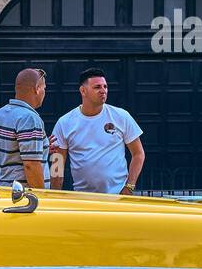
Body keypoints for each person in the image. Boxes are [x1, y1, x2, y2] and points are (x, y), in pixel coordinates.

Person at [49, 67, 146, 195]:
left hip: (119, 197)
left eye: (105, 86)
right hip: (83, 198)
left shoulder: (121, 116)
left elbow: (138, 154)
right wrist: (55, 195)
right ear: (83, 91)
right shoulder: (65, 122)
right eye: (97, 87)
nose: (103, 90)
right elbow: (58, 162)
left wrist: (129, 187)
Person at [0, 67, 48, 188]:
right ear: (37, 89)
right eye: (44, 88)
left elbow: (10, 151)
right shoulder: (29, 118)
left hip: (1, 191)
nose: (44, 93)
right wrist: (41, 198)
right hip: (23, 198)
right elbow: (31, 164)